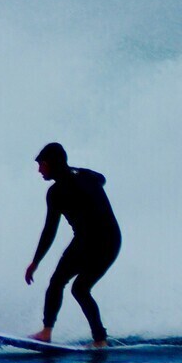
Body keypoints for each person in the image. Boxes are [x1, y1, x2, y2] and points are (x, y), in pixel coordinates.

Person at [25, 143, 122, 348]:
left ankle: (46, 332)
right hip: (112, 240)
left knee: (58, 283)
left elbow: (50, 230)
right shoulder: (86, 176)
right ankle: (100, 340)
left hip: (90, 241)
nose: (39, 170)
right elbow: (101, 178)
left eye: (42, 164)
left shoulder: (56, 192)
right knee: (80, 289)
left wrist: (35, 262)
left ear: (52, 163)